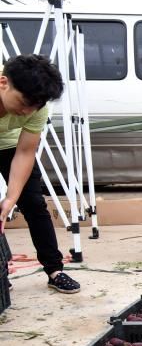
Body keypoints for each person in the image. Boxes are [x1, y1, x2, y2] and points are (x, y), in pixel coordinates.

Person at [0, 54, 79, 293]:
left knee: (34, 203)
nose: (27, 111)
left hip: (10, 146)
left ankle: (55, 270)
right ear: (3, 83)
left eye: (34, 106)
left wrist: (11, 198)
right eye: (23, 102)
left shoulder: (36, 106)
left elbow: (25, 152)